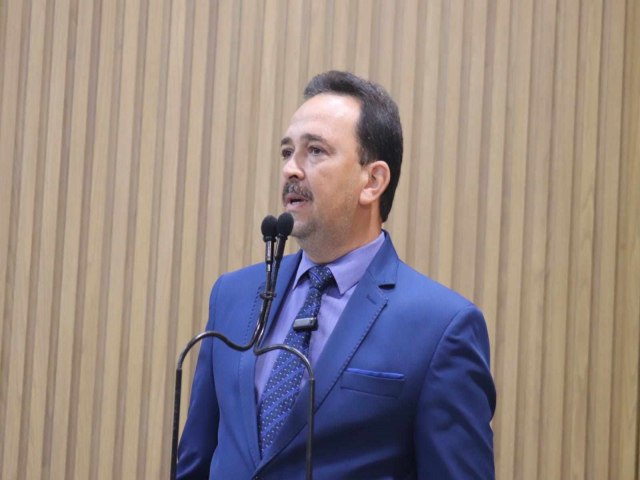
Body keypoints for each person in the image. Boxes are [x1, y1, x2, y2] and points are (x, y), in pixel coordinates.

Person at [177, 70, 496, 479]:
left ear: (372, 181)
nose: (291, 169)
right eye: (287, 152)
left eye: (315, 151)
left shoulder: (440, 327)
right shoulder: (232, 297)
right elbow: (196, 460)